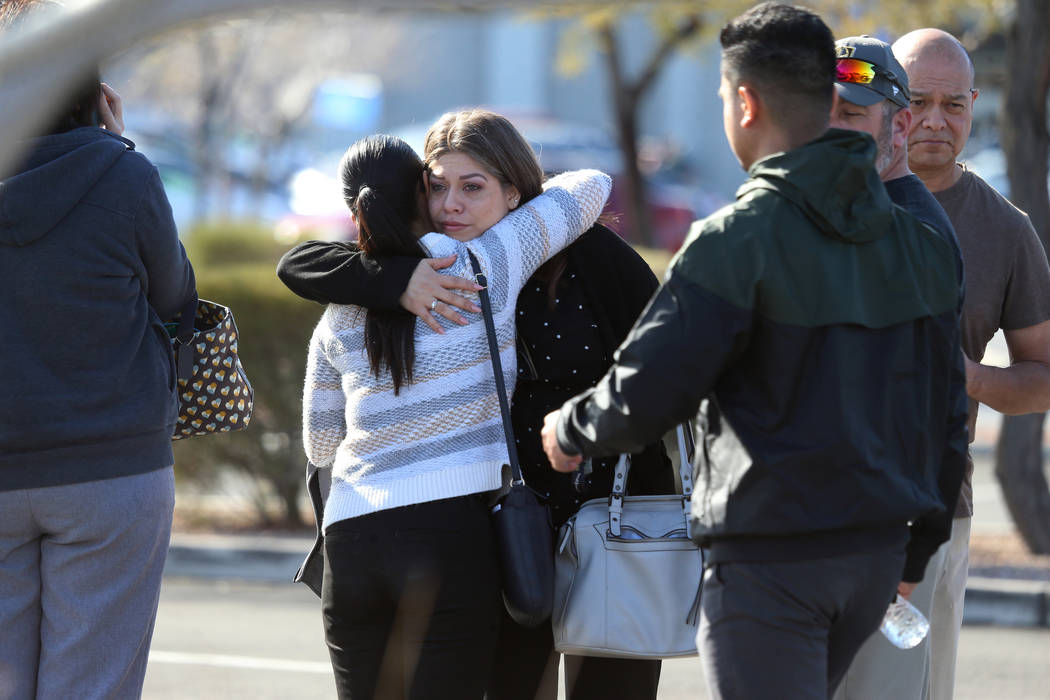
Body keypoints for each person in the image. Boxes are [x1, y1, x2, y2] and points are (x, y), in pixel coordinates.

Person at [540, 3, 968, 698]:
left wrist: (570, 430)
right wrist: (916, 547)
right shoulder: (920, 240)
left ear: (745, 102)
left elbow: (652, 386)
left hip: (772, 558)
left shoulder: (737, 235)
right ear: (831, 99)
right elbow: (947, 412)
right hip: (875, 553)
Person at [281, 109, 670, 700]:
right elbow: (300, 262)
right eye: (436, 188)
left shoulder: (577, 257)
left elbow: (662, 365)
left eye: (472, 187)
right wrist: (393, 281)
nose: (450, 205)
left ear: (515, 191)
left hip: (603, 520)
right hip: (498, 531)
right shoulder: (434, 269)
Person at [0, 2, 196, 698]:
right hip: (112, 470)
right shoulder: (123, 176)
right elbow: (177, 298)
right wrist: (118, 146)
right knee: (93, 685)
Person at [890, 28, 1050, 700]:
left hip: (931, 512)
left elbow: (1043, 376)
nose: (934, 120)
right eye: (917, 101)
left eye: (952, 105)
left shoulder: (1005, 229)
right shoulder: (827, 201)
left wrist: (969, 378)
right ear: (886, 104)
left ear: (975, 106)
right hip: (808, 507)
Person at [829, 34, 966, 700]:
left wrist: (916, 550)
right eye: (823, 112)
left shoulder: (918, 231)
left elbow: (944, 415)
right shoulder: (815, 214)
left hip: (884, 542)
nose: (835, 129)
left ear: (897, 124)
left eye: (854, 113)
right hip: (796, 545)